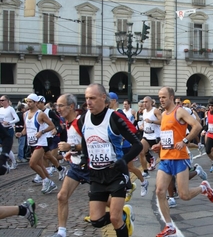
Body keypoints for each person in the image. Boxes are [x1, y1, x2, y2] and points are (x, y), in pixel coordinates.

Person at [79, 83, 142, 237]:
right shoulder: (83, 118)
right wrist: (84, 159)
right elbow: (85, 140)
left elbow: (137, 145)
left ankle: (121, 218)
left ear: (103, 97)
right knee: (96, 221)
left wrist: (124, 160)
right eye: (86, 98)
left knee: (114, 218)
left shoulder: (113, 118)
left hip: (115, 173)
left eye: (92, 98)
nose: (88, 102)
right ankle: (125, 214)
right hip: (96, 174)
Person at [152, 87, 213, 237]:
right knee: (160, 191)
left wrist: (185, 140)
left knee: (184, 195)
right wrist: (160, 145)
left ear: (172, 97)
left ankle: (203, 188)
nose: (161, 100)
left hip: (180, 158)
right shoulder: (163, 114)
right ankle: (169, 226)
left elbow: (197, 126)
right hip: (166, 157)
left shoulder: (179, 111)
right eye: (159, 97)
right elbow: (168, 135)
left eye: (164, 97)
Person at [51, 93, 90, 237]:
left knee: (105, 201)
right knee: (62, 196)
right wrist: (70, 153)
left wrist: (71, 147)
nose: (58, 109)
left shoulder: (82, 122)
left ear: (71, 106)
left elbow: (89, 144)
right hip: (75, 167)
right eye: (56, 105)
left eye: (61, 105)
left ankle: (124, 210)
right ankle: (61, 232)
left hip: (90, 167)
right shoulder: (67, 122)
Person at [108, 92, 149, 199]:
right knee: (125, 168)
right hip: (118, 147)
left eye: (108, 100)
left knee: (129, 168)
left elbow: (131, 128)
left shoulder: (118, 112)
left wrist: (123, 135)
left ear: (113, 101)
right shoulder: (109, 113)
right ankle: (129, 187)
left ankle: (142, 183)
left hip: (125, 145)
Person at [22, 93, 58, 194]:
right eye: (27, 101)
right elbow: (25, 129)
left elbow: (51, 125)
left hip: (41, 142)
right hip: (31, 142)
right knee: (40, 164)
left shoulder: (41, 114)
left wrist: (41, 132)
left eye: (30, 102)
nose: (28, 104)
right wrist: (20, 134)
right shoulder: (25, 114)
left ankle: (45, 181)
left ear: (36, 103)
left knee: (32, 163)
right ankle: (50, 182)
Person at [139, 96, 162, 177]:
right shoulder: (144, 111)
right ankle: (145, 171)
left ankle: (166, 172)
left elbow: (162, 121)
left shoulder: (155, 111)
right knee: (141, 151)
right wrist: (142, 126)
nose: (144, 103)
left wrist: (152, 121)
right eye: (143, 102)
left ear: (151, 102)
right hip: (146, 136)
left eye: (146, 102)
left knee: (162, 157)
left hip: (156, 137)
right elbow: (145, 122)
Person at [0, 95, 20, 169]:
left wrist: (9, 122)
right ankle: (5, 162)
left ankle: (14, 162)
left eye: (2, 100)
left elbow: (17, 119)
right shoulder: (0, 109)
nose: (1, 102)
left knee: (7, 146)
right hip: (2, 129)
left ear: (7, 101)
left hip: (9, 129)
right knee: (1, 146)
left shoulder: (10, 109)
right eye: (0, 100)